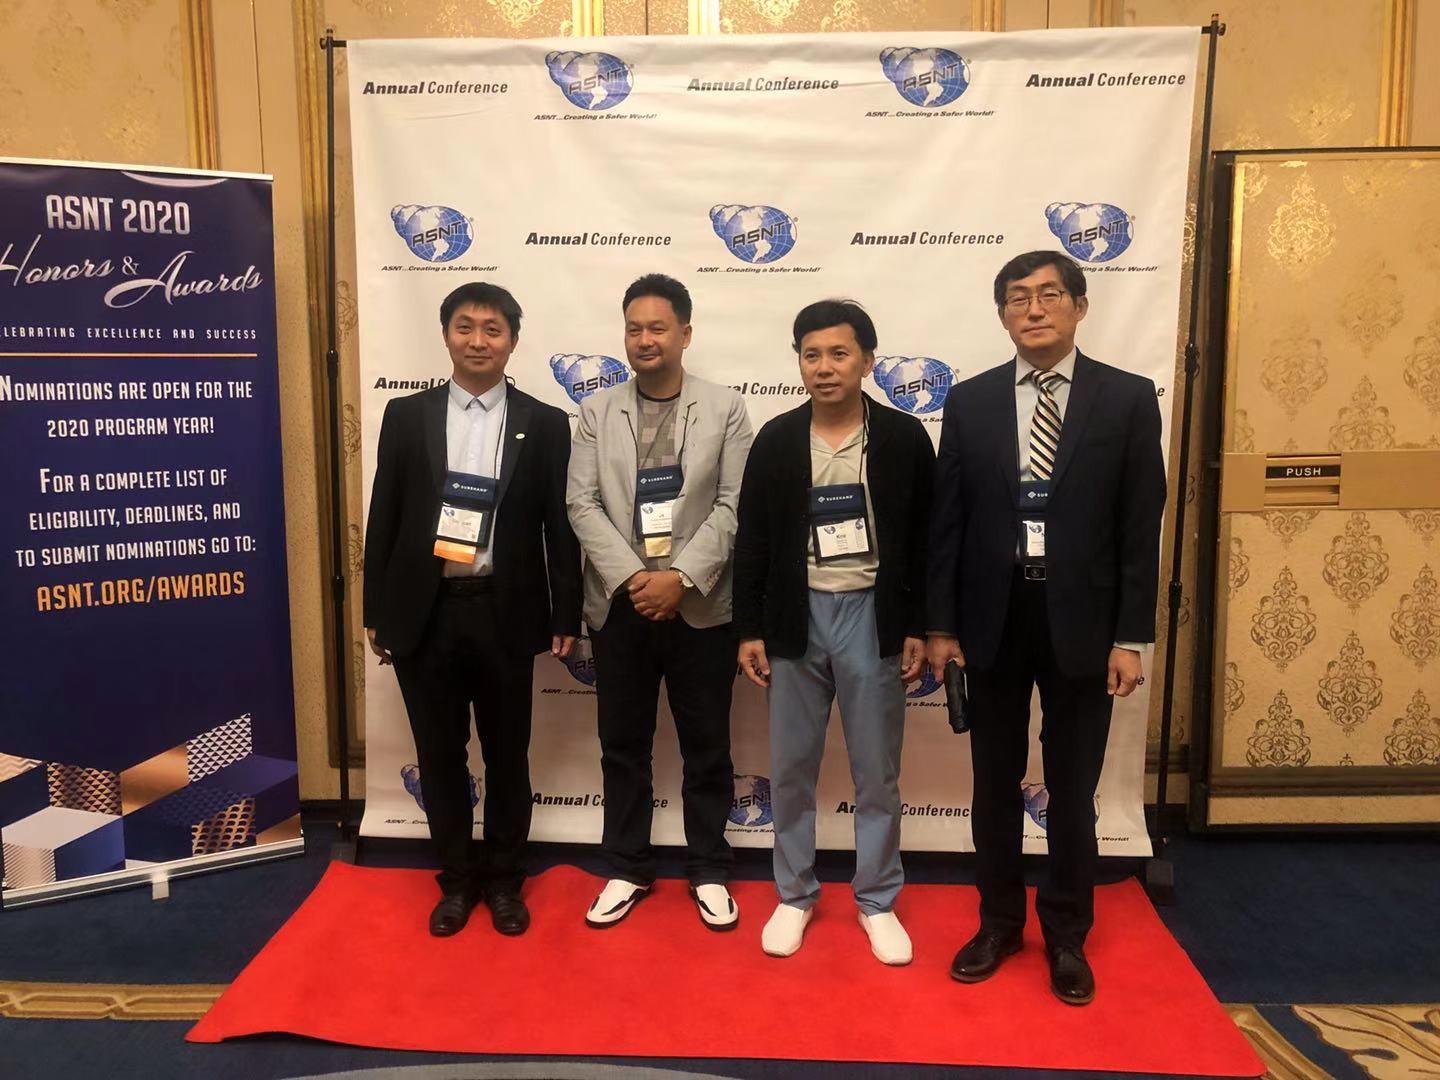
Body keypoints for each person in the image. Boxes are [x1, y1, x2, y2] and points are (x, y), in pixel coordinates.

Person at [927, 250, 1166, 1004]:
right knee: (993, 787)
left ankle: (1066, 934)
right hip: (992, 622)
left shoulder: (1126, 399)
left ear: (1079, 307)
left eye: (1050, 295)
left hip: (1085, 626)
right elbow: (948, 522)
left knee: (1071, 790)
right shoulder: (970, 401)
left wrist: (1130, 637)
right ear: (1002, 314)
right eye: (1018, 298)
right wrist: (941, 626)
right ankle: (998, 924)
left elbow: (1140, 526)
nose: (1033, 309)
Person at [364, 281, 582, 938]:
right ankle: (457, 879)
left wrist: (565, 613)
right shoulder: (408, 415)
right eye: (465, 327)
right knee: (439, 756)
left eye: (493, 329)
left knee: (508, 756)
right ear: (446, 334)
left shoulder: (545, 423)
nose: (478, 340)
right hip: (425, 613)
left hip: (504, 612)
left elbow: (558, 528)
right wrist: (376, 609)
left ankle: (506, 880)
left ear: (512, 340)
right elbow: (385, 515)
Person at [733, 299, 933, 965]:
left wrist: (918, 624)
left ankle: (876, 899)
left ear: (868, 362)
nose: (824, 367)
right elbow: (753, 540)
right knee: (792, 767)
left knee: (876, 771)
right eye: (811, 354)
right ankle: (794, 895)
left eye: (839, 353)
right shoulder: (777, 439)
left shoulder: (903, 438)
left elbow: (925, 541)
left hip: (872, 616)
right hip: (797, 618)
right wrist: (750, 627)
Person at [566, 273, 754, 931]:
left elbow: (734, 504)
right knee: (623, 744)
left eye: (658, 327)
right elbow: (581, 503)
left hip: (700, 605)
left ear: (685, 334)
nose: (645, 339)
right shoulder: (597, 411)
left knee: (708, 745)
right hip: (621, 607)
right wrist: (634, 578)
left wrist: (680, 576)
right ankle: (626, 865)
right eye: (634, 328)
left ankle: (709, 867)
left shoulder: (725, 408)